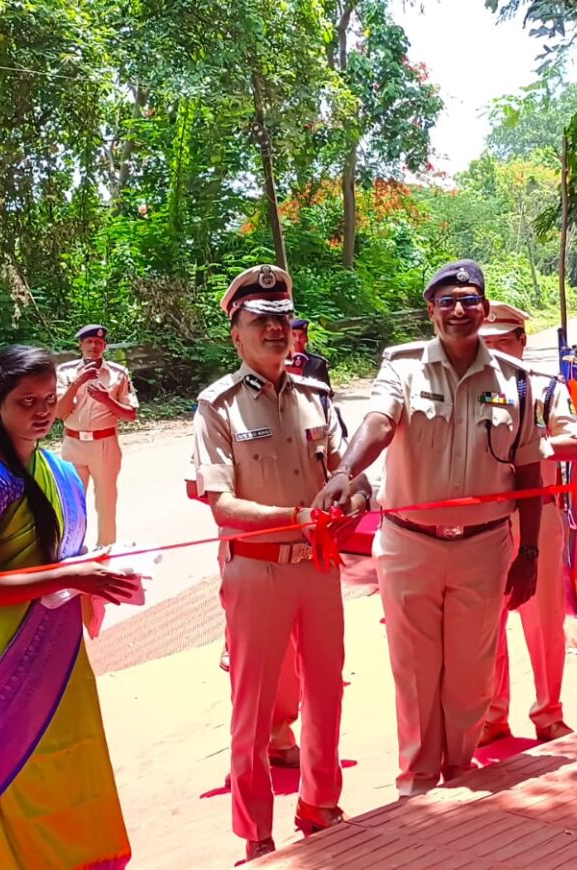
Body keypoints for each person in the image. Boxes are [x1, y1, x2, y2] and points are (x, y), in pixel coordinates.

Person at [313, 259, 546, 797]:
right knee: (415, 672)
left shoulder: (515, 381)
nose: (459, 311)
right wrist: (345, 471)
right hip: (410, 544)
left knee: (471, 673)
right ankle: (417, 785)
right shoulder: (403, 367)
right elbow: (378, 422)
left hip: (484, 548)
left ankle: (459, 771)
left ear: (484, 309)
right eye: (447, 302)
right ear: (431, 311)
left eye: (469, 301)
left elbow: (529, 470)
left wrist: (530, 552)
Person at [0, 344, 135, 868]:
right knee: (9, 769)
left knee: (67, 755)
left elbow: (65, 553)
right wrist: (73, 575)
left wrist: (101, 567)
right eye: (26, 401)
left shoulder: (54, 467)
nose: (42, 411)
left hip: (58, 644)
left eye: (48, 399)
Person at [191, 264, 365, 861]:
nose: (274, 330)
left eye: (282, 319)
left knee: (327, 690)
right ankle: (255, 830)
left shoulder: (317, 397)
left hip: (317, 565)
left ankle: (321, 803)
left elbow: (348, 474)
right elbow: (221, 503)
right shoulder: (217, 406)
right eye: (260, 320)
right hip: (256, 568)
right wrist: (296, 516)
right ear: (235, 333)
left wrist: (352, 502)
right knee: (254, 706)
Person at [477, 303, 577, 744]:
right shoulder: (469, 391)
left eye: (502, 343)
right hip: (484, 520)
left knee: (543, 620)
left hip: (537, 515)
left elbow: (575, 441)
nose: (493, 353)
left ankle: (548, 712)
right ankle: (491, 714)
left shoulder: (544, 388)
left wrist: (528, 446)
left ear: (522, 342)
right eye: (486, 344)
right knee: (485, 622)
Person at [56, 324, 139, 547]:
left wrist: (107, 400)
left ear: (105, 346)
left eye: (99, 342)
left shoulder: (117, 374)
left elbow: (131, 414)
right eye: (89, 342)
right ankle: (72, 548)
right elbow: (59, 412)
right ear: (80, 345)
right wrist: (77, 383)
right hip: (73, 443)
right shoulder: (65, 372)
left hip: (104, 443)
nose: (94, 346)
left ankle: (106, 548)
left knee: (106, 501)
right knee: (71, 502)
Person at [285, 319, 332, 387]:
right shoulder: (276, 362)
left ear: (307, 339)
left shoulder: (317, 364)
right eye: (293, 335)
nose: (297, 340)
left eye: (301, 336)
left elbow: (326, 390)